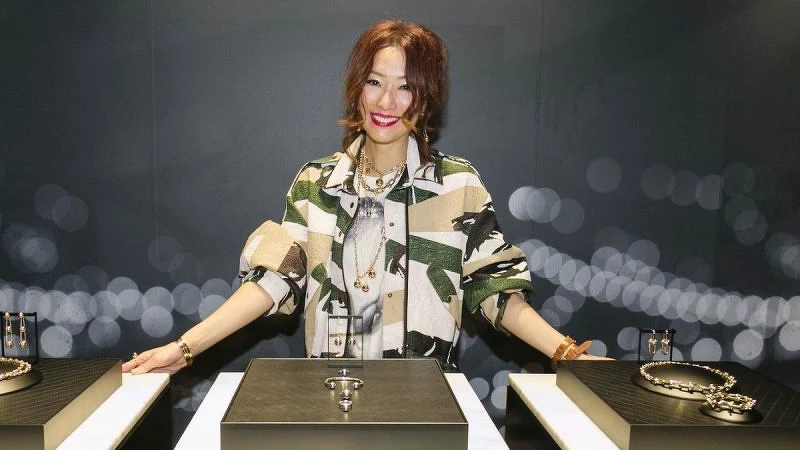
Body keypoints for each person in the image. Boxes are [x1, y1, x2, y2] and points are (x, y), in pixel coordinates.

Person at [123, 19, 600, 376]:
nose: (386, 102)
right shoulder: (315, 184)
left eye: (405, 87)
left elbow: (494, 290)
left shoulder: (458, 186)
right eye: (375, 82)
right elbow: (272, 282)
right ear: (357, 89)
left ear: (426, 99)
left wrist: (566, 353)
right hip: (332, 403)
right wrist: (183, 349)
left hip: (425, 410)